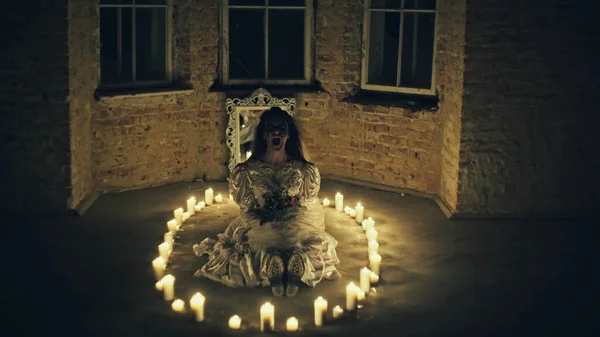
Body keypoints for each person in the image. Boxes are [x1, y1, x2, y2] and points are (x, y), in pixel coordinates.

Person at [193, 107, 340, 297]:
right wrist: (259, 221)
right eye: (271, 128)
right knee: (265, 237)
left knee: (294, 237)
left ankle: (293, 266)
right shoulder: (245, 171)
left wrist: (291, 215)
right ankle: (274, 265)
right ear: (264, 134)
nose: (276, 131)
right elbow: (246, 209)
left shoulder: (305, 170)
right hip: (261, 220)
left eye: (281, 127)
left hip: (293, 218)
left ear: (288, 135)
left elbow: (305, 204)